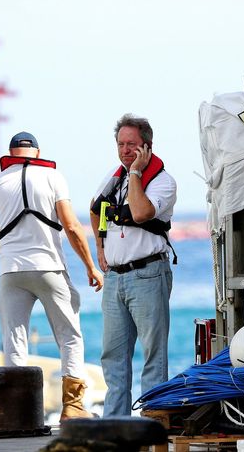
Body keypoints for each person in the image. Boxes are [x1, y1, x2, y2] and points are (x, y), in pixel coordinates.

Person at [0, 131, 104, 421]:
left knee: (14, 342)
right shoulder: (53, 177)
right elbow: (72, 226)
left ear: (11, 153)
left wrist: (13, 240)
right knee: (70, 337)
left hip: (11, 271)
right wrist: (90, 266)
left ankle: (16, 414)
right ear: (37, 153)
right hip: (49, 267)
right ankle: (72, 408)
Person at [89, 113, 177, 416]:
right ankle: (116, 427)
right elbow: (95, 208)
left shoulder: (163, 181)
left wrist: (137, 173)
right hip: (115, 278)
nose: (126, 151)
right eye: (121, 144)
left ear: (147, 147)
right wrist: (100, 246)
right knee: (112, 356)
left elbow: (140, 213)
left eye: (132, 145)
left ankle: (152, 425)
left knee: (154, 355)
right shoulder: (113, 179)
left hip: (148, 273)